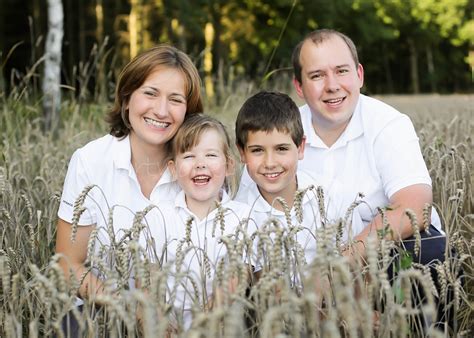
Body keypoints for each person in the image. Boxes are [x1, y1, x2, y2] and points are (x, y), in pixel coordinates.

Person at [291, 28, 449, 327]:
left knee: (427, 260)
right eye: (317, 76)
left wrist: (339, 265)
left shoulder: (388, 124)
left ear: (359, 75)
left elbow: (415, 208)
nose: (332, 86)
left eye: (341, 71)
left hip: (389, 263)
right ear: (299, 86)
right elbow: (253, 217)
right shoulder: (282, 132)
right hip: (307, 275)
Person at [55, 44, 203, 302]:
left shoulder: (200, 167)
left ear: (188, 112)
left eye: (176, 99)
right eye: (150, 93)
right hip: (99, 313)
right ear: (126, 100)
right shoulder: (89, 161)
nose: (161, 110)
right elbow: (69, 265)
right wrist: (130, 312)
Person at [235, 90, 365, 274]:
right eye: (257, 150)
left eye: (281, 149)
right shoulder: (239, 214)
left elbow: (361, 266)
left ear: (300, 147)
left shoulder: (332, 195)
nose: (270, 163)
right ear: (242, 152)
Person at [155, 113, 251, 330]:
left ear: (228, 166)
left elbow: (237, 275)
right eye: (189, 156)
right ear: (173, 169)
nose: (200, 164)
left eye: (210, 155)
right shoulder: (160, 215)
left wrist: (204, 325)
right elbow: (149, 278)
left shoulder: (242, 217)